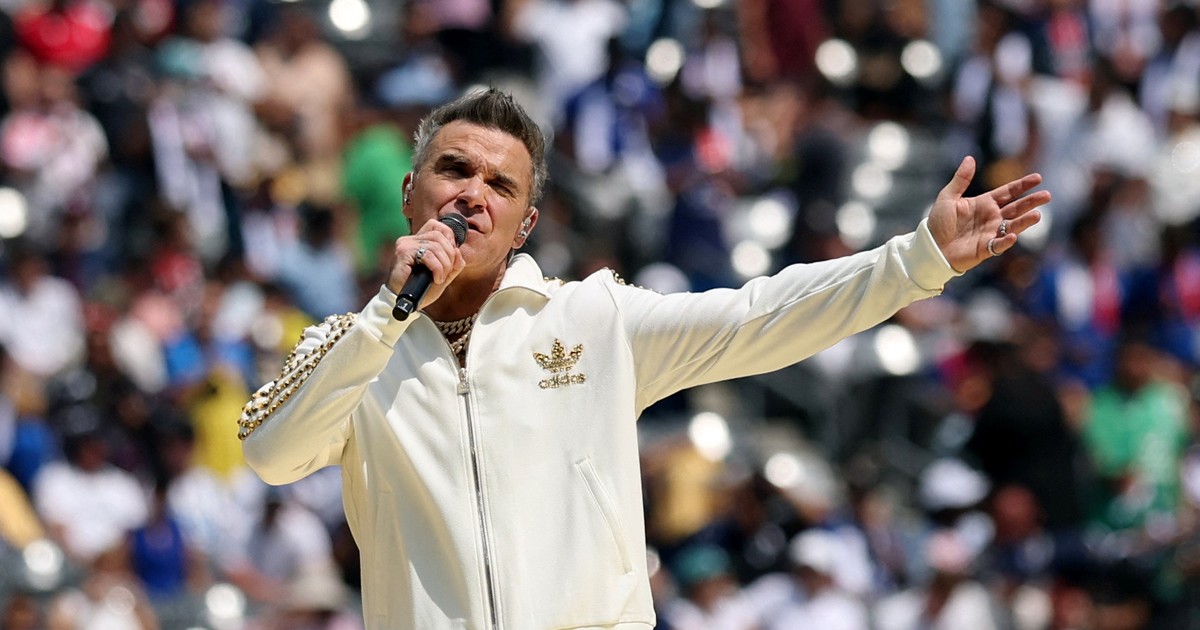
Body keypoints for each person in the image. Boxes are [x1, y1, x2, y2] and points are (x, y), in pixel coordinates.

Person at [238, 88, 1049, 629]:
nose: (472, 195)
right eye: (454, 170)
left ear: (525, 225)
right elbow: (272, 455)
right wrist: (388, 315)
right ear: (410, 190)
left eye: (500, 184)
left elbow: (758, 316)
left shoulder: (595, 318)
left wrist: (915, 260)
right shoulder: (352, 345)